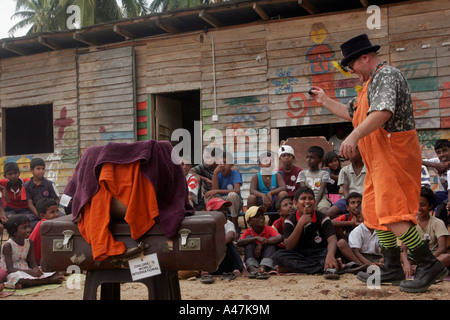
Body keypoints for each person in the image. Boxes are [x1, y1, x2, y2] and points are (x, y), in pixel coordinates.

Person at [309, 33, 448, 292]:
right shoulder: (369, 85)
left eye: (352, 66)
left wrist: (353, 136)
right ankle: (392, 266)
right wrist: (325, 100)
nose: (351, 72)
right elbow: (351, 113)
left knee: (392, 212)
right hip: (377, 159)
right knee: (374, 214)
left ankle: (429, 264)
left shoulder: (386, 75)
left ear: (365, 57)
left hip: (394, 153)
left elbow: (383, 112)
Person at [272, 186, 339, 276]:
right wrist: (300, 224)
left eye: (310, 199)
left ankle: (292, 268)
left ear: (314, 202)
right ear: (295, 203)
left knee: (335, 250)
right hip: (299, 254)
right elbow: (288, 247)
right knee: (278, 255)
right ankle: (323, 267)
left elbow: (332, 239)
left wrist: (330, 255)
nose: (307, 201)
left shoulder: (323, 217)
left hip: (319, 253)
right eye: (303, 198)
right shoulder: (290, 220)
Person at [0, 215, 64, 289]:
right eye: (24, 228)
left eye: (29, 227)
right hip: (13, 272)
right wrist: (30, 272)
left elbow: (33, 263)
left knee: (49, 270)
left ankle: (30, 283)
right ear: (14, 232)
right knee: (16, 278)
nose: (28, 230)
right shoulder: (8, 245)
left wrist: (35, 270)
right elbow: (10, 269)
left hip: (26, 269)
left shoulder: (29, 242)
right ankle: (48, 281)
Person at [401, 187, 450, 276]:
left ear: (430, 206)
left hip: (432, 256)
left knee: (447, 257)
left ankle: (420, 268)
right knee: (394, 259)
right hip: (414, 256)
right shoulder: (410, 223)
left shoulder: (437, 223)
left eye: (423, 205)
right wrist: (406, 263)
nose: (419, 208)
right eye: (416, 204)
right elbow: (403, 249)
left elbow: (442, 248)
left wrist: (426, 262)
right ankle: (417, 269)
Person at [200, 198, 245, 283]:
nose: (224, 212)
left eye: (225, 210)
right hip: (210, 260)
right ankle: (204, 270)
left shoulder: (228, 223)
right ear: (210, 212)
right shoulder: (204, 224)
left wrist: (214, 245)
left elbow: (231, 235)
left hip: (224, 260)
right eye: (220, 210)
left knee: (229, 244)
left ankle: (241, 268)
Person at [237, 206, 282, 278]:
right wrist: (256, 238)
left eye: (262, 215)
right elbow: (239, 242)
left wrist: (265, 241)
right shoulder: (248, 231)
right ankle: (252, 267)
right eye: (257, 216)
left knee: (271, 241)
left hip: (266, 255)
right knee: (249, 238)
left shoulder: (268, 228)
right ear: (249, 222)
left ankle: (263, 267)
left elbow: (279, 238)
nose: (261, 218)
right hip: (253, 256)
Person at [204, 152, 243, 232]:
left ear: (231, 164)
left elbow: (237, 190)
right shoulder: (217, 174)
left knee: (232, 195)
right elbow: (214, 191)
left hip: (234, 202)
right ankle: (214, 221)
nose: (222, 165)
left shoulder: (235, 173)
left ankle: (234, 222)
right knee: (210, 197)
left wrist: (217, 191)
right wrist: (215, 173)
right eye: (220, 163)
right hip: (221, 201)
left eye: (225, 162)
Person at [247, 152, 288, 216]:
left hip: (274, 200)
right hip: (261, 201)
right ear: (260, 164)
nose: (269, 163)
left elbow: (283, 187)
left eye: (271, 161)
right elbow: (252, 191)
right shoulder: (256, 176)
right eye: (265, 161)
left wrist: (270, 193)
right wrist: (263, 195)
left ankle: (281, 219)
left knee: (283, 193)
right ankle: (252, 220)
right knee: (251, 198)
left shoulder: (277, 175)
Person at [0, 163, 39, 229]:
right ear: (5, 176)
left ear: (19, 173)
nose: (13, 176)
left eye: (15, 173)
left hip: (25, 209)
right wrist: (3, 188)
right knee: (11, 220)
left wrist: (24, 187)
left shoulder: (25, 181)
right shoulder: (4, 183)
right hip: (10, 209)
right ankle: (14, 237)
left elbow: (35, 182)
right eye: (10, 174)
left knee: (27, 220)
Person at [296, 146, 332, 213]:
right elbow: (305, 190)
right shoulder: (302, 173)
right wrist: (310, 202)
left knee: (324, 212)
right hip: (306, 198)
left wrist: (315, 204)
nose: (308, 160)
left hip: (321, 199)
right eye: (307, 157)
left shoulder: (324, 174)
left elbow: (321, 190)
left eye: (312, 157)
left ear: (320, 160)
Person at [24, 158, 60, 226]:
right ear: (31, 170)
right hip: (34, 212)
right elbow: (30, 204)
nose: (41, 171)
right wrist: (39, 215)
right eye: (38, 169)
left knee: (62, 220)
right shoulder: (27, 186)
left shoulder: (50, 184)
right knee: (32, 224)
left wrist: (53, 210)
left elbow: (57, 199)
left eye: (43, 169)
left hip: (50, 210)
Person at [29, 198, 60, 265]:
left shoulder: (51, 224)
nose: (57, 214)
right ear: (42, 215)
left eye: (57, 211)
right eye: (52, 212)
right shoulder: (45, 226)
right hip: (39, 262)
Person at [422, 139, 450, 206]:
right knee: (431, 199)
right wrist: (435, 165)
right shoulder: (438, 162)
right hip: (445, 194)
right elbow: (416, 162)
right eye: (438, 152)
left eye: (445, 150)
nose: (442, 154)